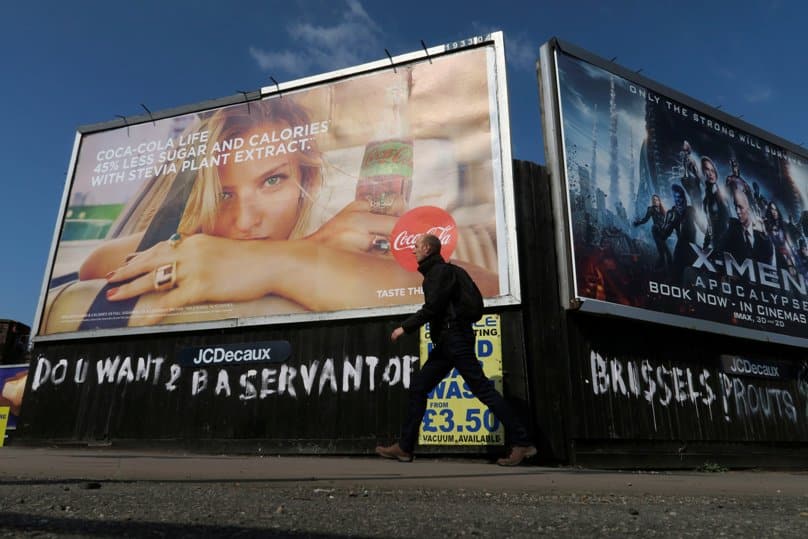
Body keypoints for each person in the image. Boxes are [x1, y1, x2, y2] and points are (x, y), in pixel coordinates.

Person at [79, 99, 499, 326]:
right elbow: (95, 269)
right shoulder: (178, 242)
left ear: (308, 182)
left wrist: (292, 258)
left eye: (272, 181)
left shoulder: (343, 235)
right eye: (222, 195)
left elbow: (483, 289)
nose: (245, 222)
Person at [376, 234, 536, 466]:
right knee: (420, 387)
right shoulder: (442, 272)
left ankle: (522, 442)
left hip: (454, 340)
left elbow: (433, 308)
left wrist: (404, 328)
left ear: (428, 249)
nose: (413, 250)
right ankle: (404, 447)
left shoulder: (438, 273)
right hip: (450, 341)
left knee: (482, 389)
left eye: (417, 246)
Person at [716, 189, 774, 266]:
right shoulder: (731, 230)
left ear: (749, 209)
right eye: (736, 207)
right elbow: (719, 252)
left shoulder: (761, 235)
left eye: (740, 207)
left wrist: (765, 237)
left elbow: (768, 259)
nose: (737, 211)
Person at [633, 194, 671, 269]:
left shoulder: (663, 210)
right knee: (664, 252)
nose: (655, 201)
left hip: (663, 232)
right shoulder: (651, 209)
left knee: (664, 252)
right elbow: (645, 219)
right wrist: (638, 222)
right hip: (656, 231)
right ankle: (660, 269)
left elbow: (667, 221)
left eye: (656, 200)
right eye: (654, 200)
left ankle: (661, 268)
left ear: (659, 201)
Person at [700, 157, 730, 250]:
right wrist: (706, 245)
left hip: (726, 244)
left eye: (712, 170)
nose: (710, 173)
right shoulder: (706, 199)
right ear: (703, 172)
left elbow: (728, 221)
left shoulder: (721, 194)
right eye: (707, 170)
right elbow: (710, 225)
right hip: (715, 244)